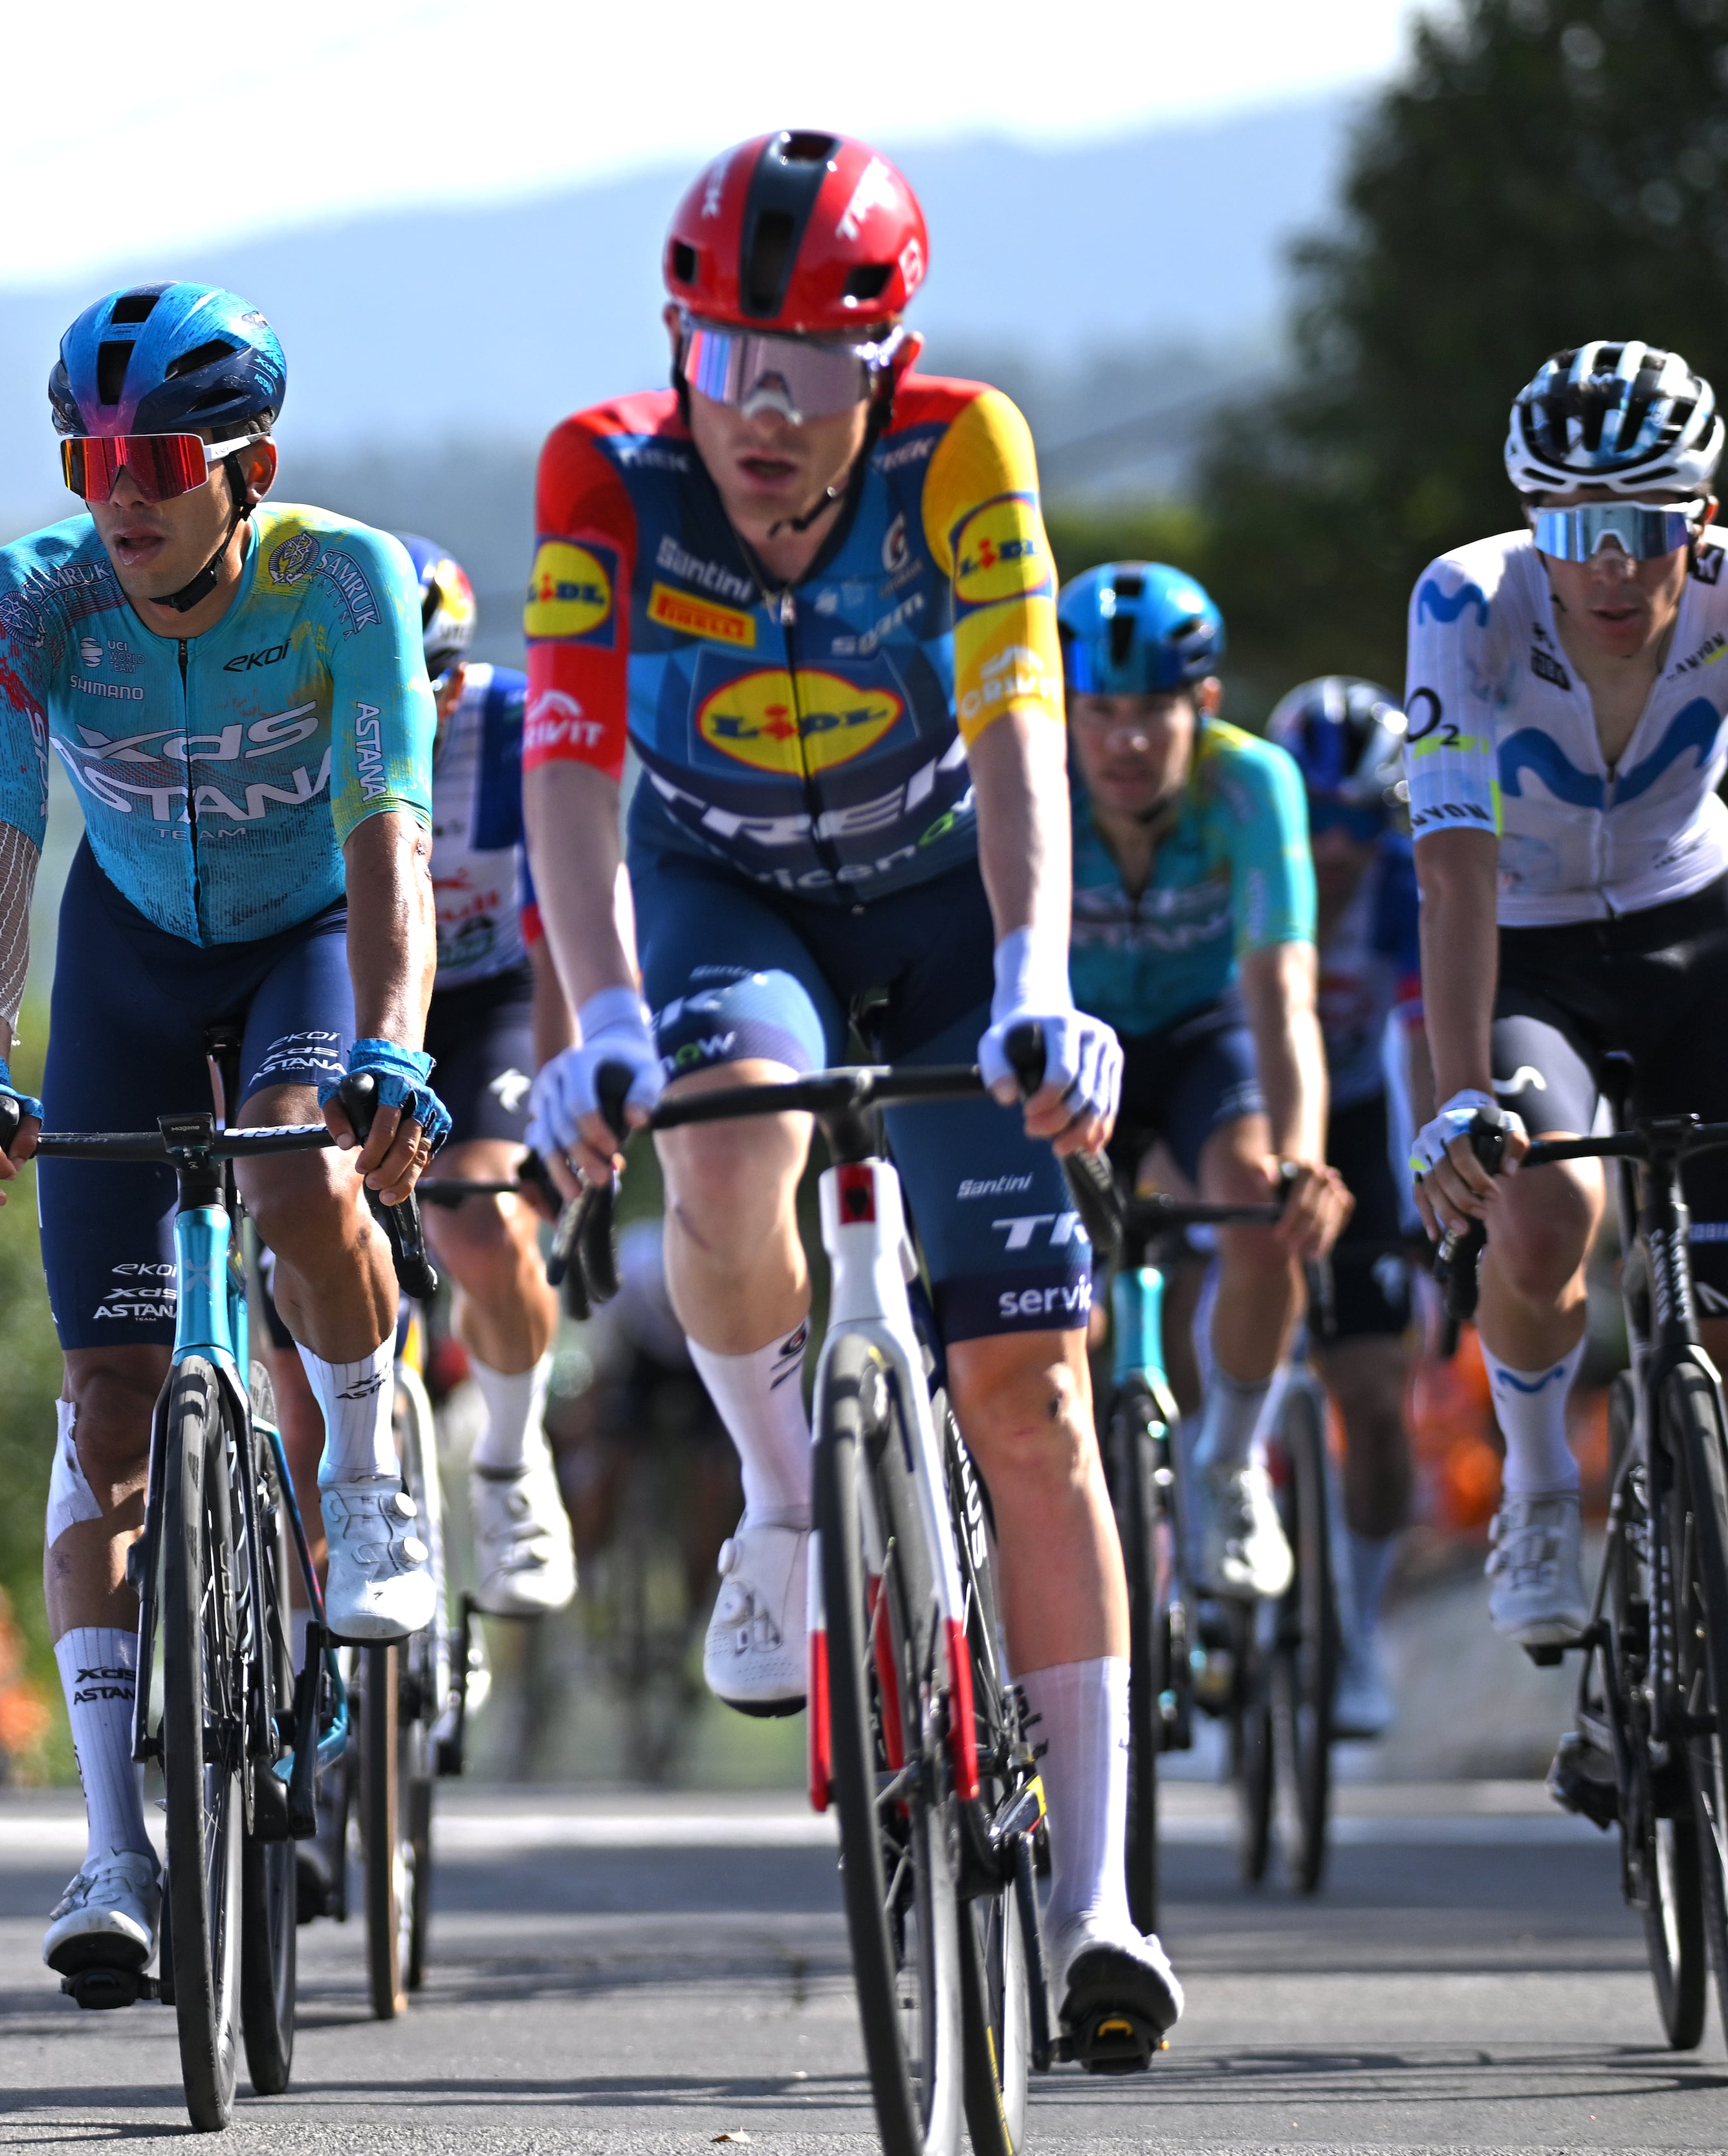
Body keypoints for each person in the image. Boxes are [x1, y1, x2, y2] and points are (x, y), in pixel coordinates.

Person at [518, 130, 1176, 2056]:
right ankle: (794, 1501)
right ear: (678, 348)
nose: (764, 413)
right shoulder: (607, 472)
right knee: (722, 1152)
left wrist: (1044, 973)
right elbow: (565, 759)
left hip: (948, 897)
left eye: (808, 370)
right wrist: (600, 1010)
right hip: (726, 885)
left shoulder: (967, 449)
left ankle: (1098, 1902)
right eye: (728, 360)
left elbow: (1019, 712)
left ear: (883, 369)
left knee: (1030, 1390)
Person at [0, 281, 441, 1999]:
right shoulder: (30, 598)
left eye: (150, 456)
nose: (113, 491)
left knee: (296, 1160)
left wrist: (396, 1043)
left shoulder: (342, 581)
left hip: (306, 936)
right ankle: (114, 1847)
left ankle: (364, 1468)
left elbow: (393, 844)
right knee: (109, 1396)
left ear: (251, 463)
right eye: (85, 455)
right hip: (126, 952)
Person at [1407, 338, 1728, 1651]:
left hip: (1697, 924)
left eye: (1644, 524)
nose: (1611, 563)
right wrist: (1456, 1101)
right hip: (1524, 941)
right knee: (1543, 1205)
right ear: (1533, 520)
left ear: (1698, 519)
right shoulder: (1466, 600)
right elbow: (1451, 867)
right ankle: (1540, 1479)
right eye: (1575, 524)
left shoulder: (1726, 595)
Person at [1056, 563, 1350, 1602]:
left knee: (1266, 1211)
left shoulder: (1253, 783)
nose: (1125, 742)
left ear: (1205, 706)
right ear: (1064, 708)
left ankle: (1227, 1463)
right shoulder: (1029, 780)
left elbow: (1283, 994)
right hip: (1066, 1042)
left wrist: (1304, 1155)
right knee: (1050, 1307)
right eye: (1099, 711)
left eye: (1153, 713)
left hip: (1199, 1033)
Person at [399, 532, 576, 1615]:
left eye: (436, 687)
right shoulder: (310, 725)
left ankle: (511, 1461)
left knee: (485, 1218)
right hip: (364, 989)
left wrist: (561, 1104)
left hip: (492, 995)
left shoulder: (512, 725)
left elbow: (562, 929)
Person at [1267, 675, 1423, 1735]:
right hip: (1255, 1105)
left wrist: (1428, 1200)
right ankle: (1208, 1618)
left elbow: (1419, 1044)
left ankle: (1356, 1634)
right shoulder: (1251, 863)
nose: (1334, 846)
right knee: (1207, 1333)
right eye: (1315, 818)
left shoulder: (1411, 882)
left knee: (1374, 1395)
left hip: (1367, 1116)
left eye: (1359, 819)